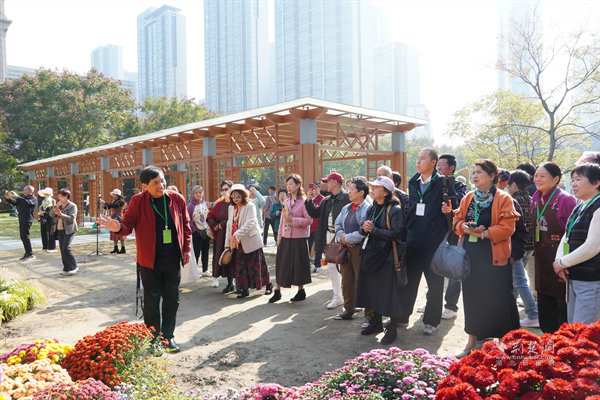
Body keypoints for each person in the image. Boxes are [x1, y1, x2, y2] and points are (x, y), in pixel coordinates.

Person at [98, 165, 192, 353]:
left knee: (172, 300)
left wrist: (186, 249)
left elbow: (186, 225)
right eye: (156, 183)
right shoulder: (137, 201)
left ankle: (168, 338)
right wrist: (118, 228)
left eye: (163, 181)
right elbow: (128, 225)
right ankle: (153, 340)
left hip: (172, 259)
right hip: (149, 261)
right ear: (144, 186)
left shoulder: (176, 198)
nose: (161, 185)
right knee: (151, 302)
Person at [447, 159, 521, 358]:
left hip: (494, 258)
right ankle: (471, 342)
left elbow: (507, 229)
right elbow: (456, 221)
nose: (475, 175)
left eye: (479, 172)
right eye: (474, 172)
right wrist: (465, 228)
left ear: (492, 176)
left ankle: (501, 345)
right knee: (471, 298)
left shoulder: (504, 198)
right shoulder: (468, 197)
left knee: (497, 300)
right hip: (470, 257)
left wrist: (483, 234)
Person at [399, 148, 457, 335]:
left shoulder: (443, 183)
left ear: (433, 163)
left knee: (435, 285)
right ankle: (402, 317)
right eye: (417, 158)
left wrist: (449, 210)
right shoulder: (413, 182)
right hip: (414, 240)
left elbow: (455, 208)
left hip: (434, 244)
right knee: (409, 282)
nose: (418, 161)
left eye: (423, 158)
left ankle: (431, 322)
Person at [355, 176, 404, 345]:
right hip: (371, 254)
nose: (372, 189)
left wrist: (373, 230)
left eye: (376, 187)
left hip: (387, 257)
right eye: (372, 186)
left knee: (388, 294)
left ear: (386, 192)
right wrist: (364, 229)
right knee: (372, 291)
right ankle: (376, 323)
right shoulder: (372, 207)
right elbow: (364, 229)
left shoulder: (395, 209)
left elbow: (396, 233)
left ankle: (392, 329)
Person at [419, 153, 467, 319]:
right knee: (434, 268)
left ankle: (451, 306)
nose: (438, 168)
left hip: (452, 234)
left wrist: (449, 194)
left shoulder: (459, 186)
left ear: (451, 168)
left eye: (441, 165)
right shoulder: (431, 183)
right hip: (435, 234)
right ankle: (431, 302)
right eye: (437, 165)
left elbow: (459, 204)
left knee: (453, 268)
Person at [531, 162, 577, 333]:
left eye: (542, 176)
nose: (537, 179)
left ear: (556, 179)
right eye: (536, 175)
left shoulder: (566, 200)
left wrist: (566, 261)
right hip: (541, 260)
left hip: (561, 261)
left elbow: (574, 235)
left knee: (562, 308)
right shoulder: (535, 198)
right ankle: (547, 340)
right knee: (545, 306)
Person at [553, 163, 600, 324]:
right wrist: (559, 262)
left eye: (578, 179)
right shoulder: (580, 206)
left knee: (584, 331)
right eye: (572, 180)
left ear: (596, 182)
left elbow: (593, 246)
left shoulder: (598, 206)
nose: (573, 184)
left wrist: (563, 262)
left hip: (591, 280)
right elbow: (566, 237)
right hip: (574, 277)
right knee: (574, 328)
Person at [306, 172, 350, 309]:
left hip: (344, 236)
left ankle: (351, 298)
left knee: (347, 267)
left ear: (335, 182)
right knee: (331, 266)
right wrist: (309, 200)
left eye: (328, 181)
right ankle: (337, 296)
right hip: (329, 236)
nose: (325, 184)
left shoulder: (348, 198)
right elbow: (314, 213)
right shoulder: (326, 200)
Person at [333, 176, 372, 320]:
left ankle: (369, 314)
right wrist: (342, 237)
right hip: (346, 249)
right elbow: (337, 224)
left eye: (352, 189)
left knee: (363, 281)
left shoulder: (368, 208)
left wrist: (348, 238)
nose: (348, 191)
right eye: (348, 188)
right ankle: (349, 309)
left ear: (361, 192)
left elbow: (365, 230)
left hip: (361, 249)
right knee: (347, 280)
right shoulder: (346, 208)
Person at [269, 174, 312, 303]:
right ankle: (277, 291)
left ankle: (301, 291)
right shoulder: (286, 201)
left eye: (291, 184)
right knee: (282, 264)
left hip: (299, 238)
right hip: (286, 236)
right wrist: (279, 237)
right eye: (287, 184)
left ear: (298, 185)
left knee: (298, 265)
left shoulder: (304, 201)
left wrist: (293, 220)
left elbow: (309, 220)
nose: (288, 187)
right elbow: (282, 221)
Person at [224, 184, 272, 298]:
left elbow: (250, 222)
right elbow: (229, 225)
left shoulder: (250, 206)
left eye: (238, 196)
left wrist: (237, 233)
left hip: (251, 240)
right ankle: (244, 289)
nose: (235, 198)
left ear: (243, 195)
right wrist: (227, 244)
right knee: (240, 266)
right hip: (237, 242)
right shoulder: (231, 208)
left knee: (257, 265)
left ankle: (268, 285)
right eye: (233, 196)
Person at [506, 170, 539, 328]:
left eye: (508, 184)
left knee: (519, 281)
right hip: (531, 247)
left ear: (513, 185)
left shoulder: (512, 201)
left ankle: (533, 314)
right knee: (516, 281)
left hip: (518, 248)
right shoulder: (532, 200)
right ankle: (509, 309)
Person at [207, 180, 234, 290]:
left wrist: (222, 224)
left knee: (233, 257)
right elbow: (210, 216)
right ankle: (227, 282)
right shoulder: (219, 204)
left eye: (226, 189)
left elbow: (235, 218)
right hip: (221, 235)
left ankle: (233, 282)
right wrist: (215, 225)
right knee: (221, 257)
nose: (224, 191)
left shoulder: (235, 203)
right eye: (222, 189)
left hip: (233, 234)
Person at [50, 188, 79, 275]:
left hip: (69, 229)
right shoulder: (59, 205)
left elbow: (71, 218)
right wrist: (56, 207)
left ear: (66, 196)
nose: (59, 198)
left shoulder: (72, 206)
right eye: (58, 196)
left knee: (66, 248)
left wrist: (61, 214)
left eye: (61, 196)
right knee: (62, 249)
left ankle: (73, 266)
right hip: (59, 229)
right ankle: (66, 268)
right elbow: (51, 214)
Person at [5, 186, 37, 261]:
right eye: (23, 190)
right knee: (23, 237)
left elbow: (27, 203)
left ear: (31, 191)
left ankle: (30, 254)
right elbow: (15, 203)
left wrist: (17, 196)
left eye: (25, 190)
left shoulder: (33, 198)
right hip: (22, 219)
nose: (24, 191)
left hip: (27, 219)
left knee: (25, 237)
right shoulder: (24, 198)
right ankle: (28, 253)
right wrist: (9, 198)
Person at [188, 185, 212, 277]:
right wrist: (194, 230)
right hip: (197, 233)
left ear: (203, 193)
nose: (198, 194)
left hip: (206, 232)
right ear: (193, 194)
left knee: (205, 251)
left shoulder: (206, 204)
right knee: (196, 253)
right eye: (196, 193)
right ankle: (195, 272)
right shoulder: (191, 206)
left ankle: (205, 270)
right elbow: (188, 220)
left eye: (200, 192)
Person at [100, 189, 128, 254]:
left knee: (121, 232)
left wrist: (104, 202)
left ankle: (123, 248)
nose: (113, 195)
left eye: (114, 194)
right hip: (113, 217)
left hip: (119, 218)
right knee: (114, 232)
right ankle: (115, 247)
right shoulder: (113, 201)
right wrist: (103, 204)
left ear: (117, 195)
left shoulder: (121, 202)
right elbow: (108, 207)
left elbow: (114, 206)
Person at [308, 182, 324, 272]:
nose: (313, 189)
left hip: (318, 227)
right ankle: (307, 263)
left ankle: (317, 264)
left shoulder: (323, 199)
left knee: (318, 247)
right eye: (312, 188)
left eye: (315, 188)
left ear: (319, 189)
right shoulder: (308, 199)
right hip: (308, 227)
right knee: (308, 246)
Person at [38, 188, 56, 253]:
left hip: (50, 218)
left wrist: (46, 212)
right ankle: (45, 246)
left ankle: (52, 247)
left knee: (50, 232)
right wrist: (41, 212)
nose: (45, 195)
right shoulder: (43, 201)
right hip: (43, 217)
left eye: (47, 193)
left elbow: (54, 209)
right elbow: (41, 208)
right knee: (43, 232)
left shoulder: (52, 200)